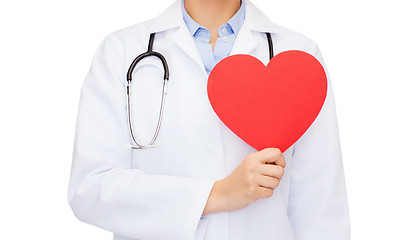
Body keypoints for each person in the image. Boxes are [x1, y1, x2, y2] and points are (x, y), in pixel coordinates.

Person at [67, 0, 350, 239]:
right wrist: (216, 195)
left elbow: (321, 208)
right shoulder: (121, 52)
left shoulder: (299, 55)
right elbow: (91, 188)